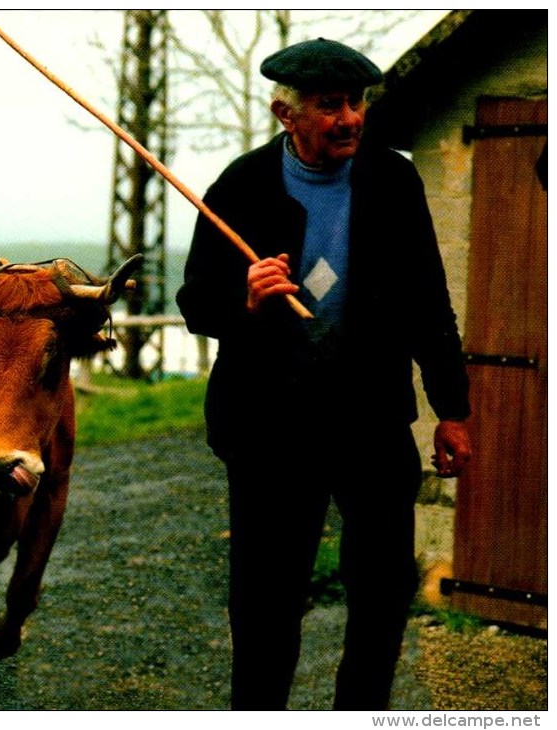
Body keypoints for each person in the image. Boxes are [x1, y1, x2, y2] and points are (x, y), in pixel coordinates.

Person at [176, 38, 472, 710]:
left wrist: (452, 409)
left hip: (369, 419)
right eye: (329, 105)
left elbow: (428, 303)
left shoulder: (392, 182)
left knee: (382, 587)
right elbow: (196, 302)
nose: (349, 118)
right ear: (287, 114)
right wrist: (243, 299)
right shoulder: (240, 186)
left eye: (357, 102)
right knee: (264, 598)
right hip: (269, 429)